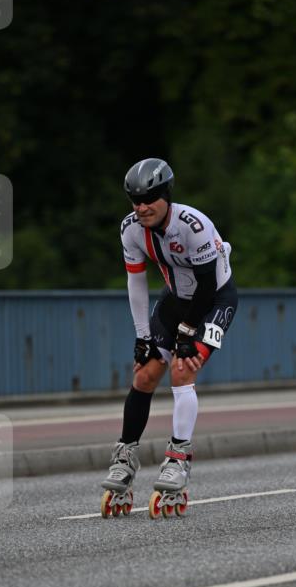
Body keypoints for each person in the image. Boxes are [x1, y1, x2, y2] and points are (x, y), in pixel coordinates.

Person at [101, 158, 238, 517]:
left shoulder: (193, 224)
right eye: (135, 200)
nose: (141, 207)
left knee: (182, 368)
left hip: (213, 302)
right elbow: (136, 282)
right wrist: (142, 336)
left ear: (166, 196)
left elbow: (207, 286)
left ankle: (178, 459)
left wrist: (188, 334)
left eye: (149, 199)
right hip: (175, 299)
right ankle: (126, 456)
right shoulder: (130, 229)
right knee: (144, 373)